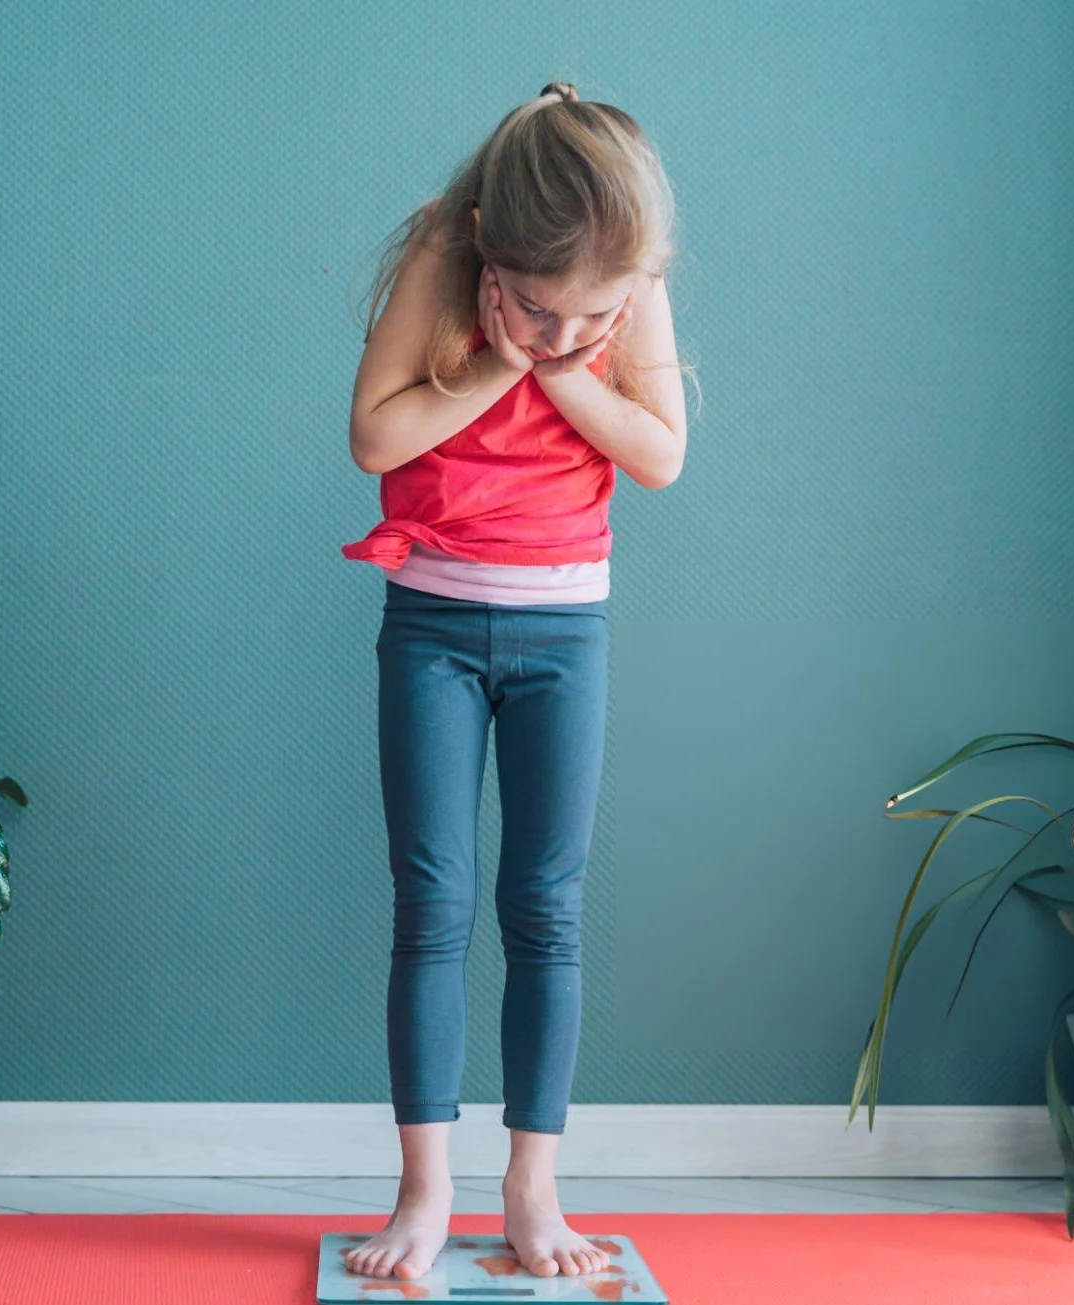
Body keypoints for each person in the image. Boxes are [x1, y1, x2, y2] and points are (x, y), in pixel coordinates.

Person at [339, 81, 692, 1283]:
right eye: (542, 307)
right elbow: (375, 439)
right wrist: (502, 360)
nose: (567, 326)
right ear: (492, 249)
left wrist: (562, 365)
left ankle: (531, 1190)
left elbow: (659, 457)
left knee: (545, 909)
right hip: (431, 621)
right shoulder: (447, 247)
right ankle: (423, 1192)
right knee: (429, 903)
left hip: (562, 633)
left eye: (593, 313)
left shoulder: (622, 283)